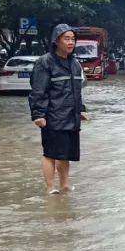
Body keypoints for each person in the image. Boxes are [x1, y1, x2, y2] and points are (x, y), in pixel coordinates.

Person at [29, 23, 88, 195]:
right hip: (52, 116)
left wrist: (81, 109)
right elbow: (38, 90)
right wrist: (38, 115)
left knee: (66, 154)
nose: (71, 42)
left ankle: (65, 184)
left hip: (71, 117)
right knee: (51, 154)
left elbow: (77, 90)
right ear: (57, 41)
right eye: (66, 39)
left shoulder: (75, 64)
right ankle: (50, 187)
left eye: (73, 39)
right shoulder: (45, 62)